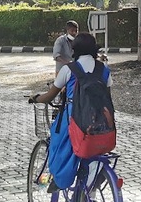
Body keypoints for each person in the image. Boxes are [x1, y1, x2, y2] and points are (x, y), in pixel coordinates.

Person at [30, 32, 112, 193]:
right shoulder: (104, 69)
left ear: (75, 50)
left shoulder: (69, 69)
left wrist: (37, 98)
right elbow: (107, 97)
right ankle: (90, 187)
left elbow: (50, 95)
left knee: (57, 139)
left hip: (74, 118)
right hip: (101, 121)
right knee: (91, 149)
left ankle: (60, 179)